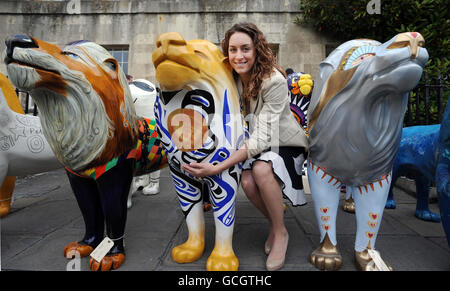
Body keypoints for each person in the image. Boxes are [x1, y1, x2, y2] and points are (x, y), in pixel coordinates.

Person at [182, 22, 308, 271]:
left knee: (261, 171)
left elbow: (261, 138)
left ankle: (280, 232)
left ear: (257, 50)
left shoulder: (273, 81)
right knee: (248, 183)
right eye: (233, 50)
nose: (238, 56)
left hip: (283, 141)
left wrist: (216, 168)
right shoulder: (233, 77)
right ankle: (275, 220)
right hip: (257, 143)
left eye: (245, 49)